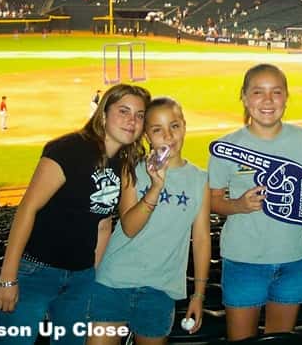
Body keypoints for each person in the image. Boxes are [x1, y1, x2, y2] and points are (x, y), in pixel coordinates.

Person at [0, 83, 151, 345]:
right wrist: (8, 277)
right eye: (123, 111)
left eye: (139, 115)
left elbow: (103, 224)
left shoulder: (123, 162)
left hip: (81, 280)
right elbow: (28, 208)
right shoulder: (68, 149)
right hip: (36, 272)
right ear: (103, 114)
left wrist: (96, 280)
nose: (132, 121)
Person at [208, 64, 302, 341]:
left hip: (292, 260)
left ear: (286, 97)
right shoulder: (226, 146)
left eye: (276, 92)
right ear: (244, 97)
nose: (267, 101)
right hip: (243, 262)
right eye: (258, 92)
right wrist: (238, 206)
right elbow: (213, 201)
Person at [88, 97, 211, 344]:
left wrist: (198, 294)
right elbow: (130, 228)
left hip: (160, 290)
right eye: (157, 130)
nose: (168, 135)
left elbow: (201, 239)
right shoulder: (131, 169)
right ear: (146, 136)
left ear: (184, 126)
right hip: (114, 282)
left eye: (174, 126)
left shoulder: (200, 180)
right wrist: (156, 187)